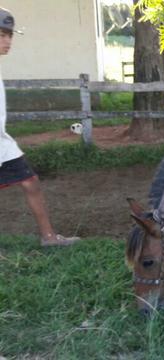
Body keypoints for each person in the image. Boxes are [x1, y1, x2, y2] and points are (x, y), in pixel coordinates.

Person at [0, 7, 80, 246]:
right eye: (2, 34)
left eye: (10, 35)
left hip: (2, 142)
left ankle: (49, 237)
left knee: (30, 181)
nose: (8, 41)